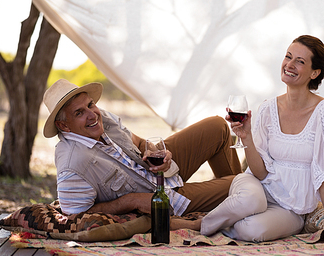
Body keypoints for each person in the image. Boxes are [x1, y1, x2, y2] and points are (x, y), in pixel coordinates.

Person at [193, 35, 324, 242]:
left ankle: (216, 222)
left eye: (300, 61)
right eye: (288, 57)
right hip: (256, 189)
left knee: (252, 231)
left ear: (314, 72)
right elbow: (260, 173)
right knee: (249, 201)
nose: (289, 65)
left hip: (292, 208)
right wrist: (246, 137)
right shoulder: (267, 108)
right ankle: (196, 225)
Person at [42, 79, 242, 226]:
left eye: (90, 105)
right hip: (159, 195)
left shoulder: (101, 117)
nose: (92, 114)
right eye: (79, 113)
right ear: (63, 125)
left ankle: (240, 204)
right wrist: (131, 200)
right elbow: (75, 217)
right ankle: (241, 199)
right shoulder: (73, 163)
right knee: (242, 183)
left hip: (154, 169)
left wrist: (159, 153)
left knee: (217, 126)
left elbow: (137, 141)